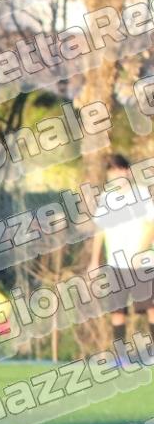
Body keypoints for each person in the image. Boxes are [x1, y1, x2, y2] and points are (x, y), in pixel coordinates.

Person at [92, 151, 154, 368]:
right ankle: (120, 357)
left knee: (150, 307)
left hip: (142, 263)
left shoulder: (141, 194)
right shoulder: (106, 198)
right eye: (111, 171)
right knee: (117, 310)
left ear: (127, 172)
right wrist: (94, 260)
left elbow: (151, 226)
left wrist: (139, 252)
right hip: (115, 264)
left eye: (119, 170)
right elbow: (100, 230)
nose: (116, 175)